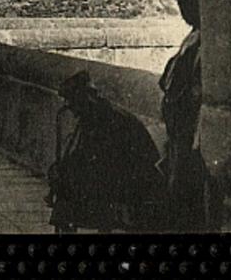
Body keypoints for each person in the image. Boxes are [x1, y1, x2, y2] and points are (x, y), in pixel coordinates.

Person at [47, 70, 166, 233]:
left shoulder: (107, 119)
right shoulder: (96, 114)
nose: (72, 110)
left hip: (135, 180)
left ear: (85, 99)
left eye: (72, 102)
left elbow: (105, 161)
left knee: (74, 189)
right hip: (122, 175)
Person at [159, 0, 205, 230]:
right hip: (178, 135)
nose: (183, 10)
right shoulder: (192, 38)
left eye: (187, 3)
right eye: (180, 4)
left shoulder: (203, 41)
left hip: (191, 137)